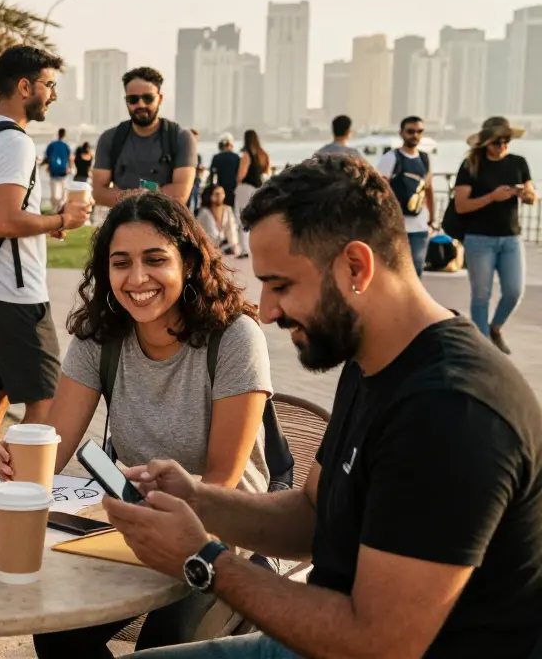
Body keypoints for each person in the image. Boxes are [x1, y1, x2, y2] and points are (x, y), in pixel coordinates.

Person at [104, 156, 542, 659]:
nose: (266, 312)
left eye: (281, 285)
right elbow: (314, 515)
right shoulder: (374, 358)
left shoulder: (451, 412)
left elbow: (379, 645)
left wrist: (203, 558)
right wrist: (199, 500)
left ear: (356, 267)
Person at [0, 191, 273, 656]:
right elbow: (54, 447)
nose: (137, 278)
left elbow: (222, 483)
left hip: (226, 533)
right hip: (136, 527)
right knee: (57, 628)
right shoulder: (99, 337)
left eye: (155, 259)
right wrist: (18, 458)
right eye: (120, 263)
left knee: (163, 645)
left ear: (187, 261)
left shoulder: (235, 338)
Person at [0, 45, 92, 467]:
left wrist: (41, 224)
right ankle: (25, 495)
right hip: (15, 295)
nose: (52, 94)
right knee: (45, 405)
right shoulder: (15, 143)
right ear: (24, 86)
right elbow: (4, 220)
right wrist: (61, 221)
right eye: (49, 85)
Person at [453, 116, 536, 354]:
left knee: (514, 291)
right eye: (497, 142)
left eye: (506, 141)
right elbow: (461, 205)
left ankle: (495, 327)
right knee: (481, 295)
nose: (502, 147)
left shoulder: (518, 163)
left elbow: (532, 195)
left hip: (511, 238)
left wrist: (526, 195)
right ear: (486, 143)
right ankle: (483, 347)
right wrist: (492, 197)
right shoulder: (471, 166)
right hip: (479, 239)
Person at [92, 67, 197, 208]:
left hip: (166, 226)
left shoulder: (181, 138)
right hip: (123, 224)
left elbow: (180, 194)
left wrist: (128, 196)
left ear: (159, 99)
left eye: (148, 98)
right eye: (133, 99)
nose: (141, 104)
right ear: (126, 101)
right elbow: (99, 193)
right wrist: (151, 193)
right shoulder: (110, 138)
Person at [375, 116, 436, 278]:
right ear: (402, 133)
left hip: (420, 226)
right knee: (394, 272)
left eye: (419, 131)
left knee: (416, 272)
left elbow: (428, 188)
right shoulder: (391, 158)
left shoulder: (425, 158)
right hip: (396, 226)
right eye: (410, 131)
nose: (415, 135)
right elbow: (378, 189)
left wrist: (432, 218)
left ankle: (410, 304)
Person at [233, 130, 269, 259]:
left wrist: (237, 182)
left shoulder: (246, 155)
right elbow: (267, 171)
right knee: (257, 219)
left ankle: (245, 249)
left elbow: (241, 174)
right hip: (258, 187)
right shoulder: (262, 154)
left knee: (242, 218)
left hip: (245, 187)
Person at [197, 184, 239, 255]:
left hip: (225, 248)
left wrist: (233, 245)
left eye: (222, 193)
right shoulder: (204, 213)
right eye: (216, 194)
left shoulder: (227, 209)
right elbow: (198, 232)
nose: (220, 196)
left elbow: (232, 229)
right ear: (210, 196)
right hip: (208, 250)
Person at [44, 128, 74, 210]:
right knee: (63, 195)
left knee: (54, 195)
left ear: (58, 134)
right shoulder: (66, 146)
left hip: (53, 173)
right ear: (65, 135)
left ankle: (55, 210)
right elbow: (71, 158)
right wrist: (70, 168)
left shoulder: (52, 145)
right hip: (63, 173)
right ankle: (60, 210)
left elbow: (47, 158)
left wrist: (48, 167)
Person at [209, 133, 240, 208]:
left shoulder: (216, 157)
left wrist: (213, 187)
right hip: (233, 188)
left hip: (220, 189)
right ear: (230, 144)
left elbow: (213, 175)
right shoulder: (236, 157)